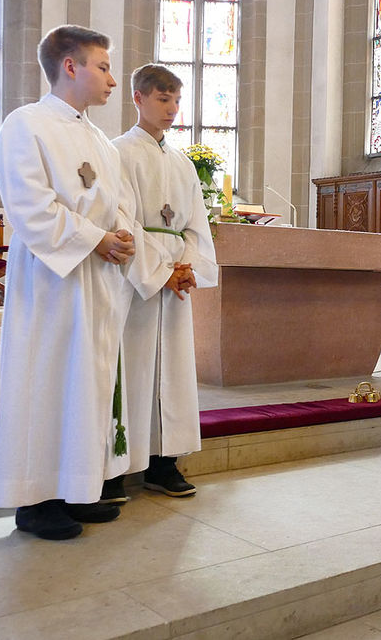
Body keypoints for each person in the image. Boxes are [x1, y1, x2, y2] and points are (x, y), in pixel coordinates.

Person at [0, 25, 136, 540]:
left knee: (87, 386)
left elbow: (121, 208)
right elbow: (30, 208)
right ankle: (34, 499)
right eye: (103, 66)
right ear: (69, 66)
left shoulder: (100, 141)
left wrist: (122, 236)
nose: (112, 80)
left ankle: (78, 486)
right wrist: (96, 239)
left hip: (96, 284)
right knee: (46, 382)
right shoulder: (24, 125)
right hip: (51, 284)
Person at [102, 64, 218, 503]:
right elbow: (122, 219)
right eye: (161, 99)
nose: (170, 109)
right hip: (136, 282)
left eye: (175, 101)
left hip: (174, 281)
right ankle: (116, 468)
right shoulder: (118, 153)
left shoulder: (183, 163)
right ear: (138, 98)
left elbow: (194, 224)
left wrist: (187, 266)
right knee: (131, 371)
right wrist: (160, 271)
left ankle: (163, 462)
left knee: (172, 372)